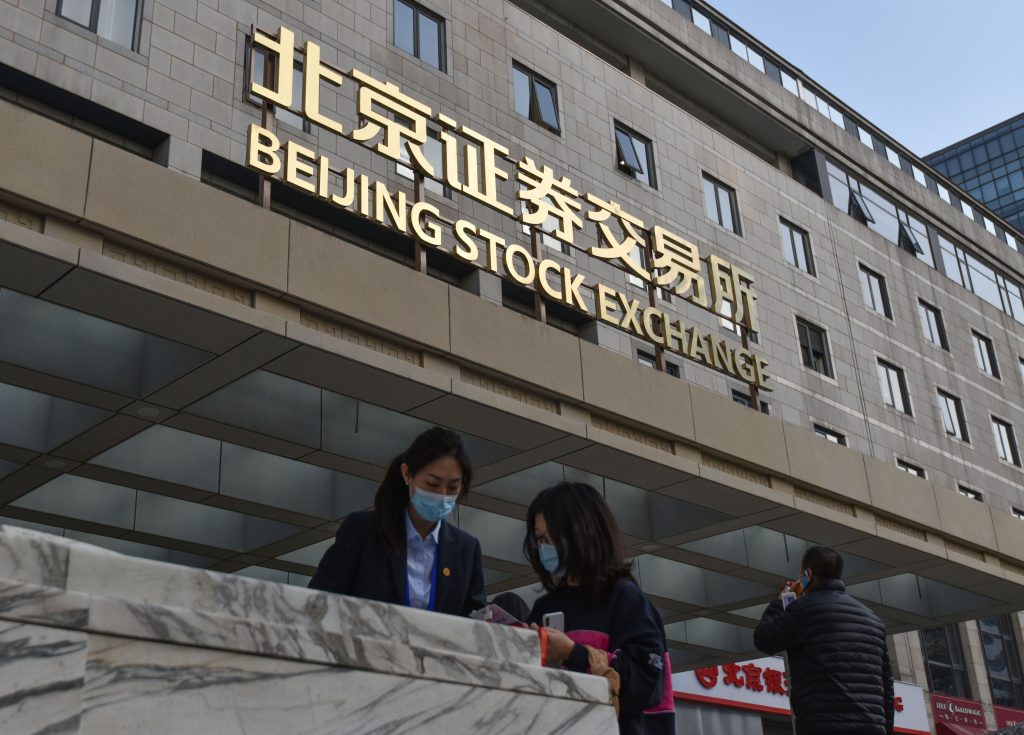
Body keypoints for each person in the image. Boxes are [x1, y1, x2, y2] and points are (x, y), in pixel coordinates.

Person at [524, 482, 674, 735]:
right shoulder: (544, 607)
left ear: (582, 532)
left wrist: (573, 653)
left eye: (550, 538)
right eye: (539, 539)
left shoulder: (625, 598)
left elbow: (647, 684)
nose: (543, 548)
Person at [309, 427, 486, 616]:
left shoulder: (466, 549)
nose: (442, 495)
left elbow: (476, 618)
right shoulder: (363, 530)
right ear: (406, 474)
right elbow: (318, 600)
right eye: (432, 484)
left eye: (452, 487)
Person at [753, 545, 894, 735]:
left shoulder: (803, 610)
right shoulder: (874, 621)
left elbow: (763, 638)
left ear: (808, 574)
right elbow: (887, 686)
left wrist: (782, 601)